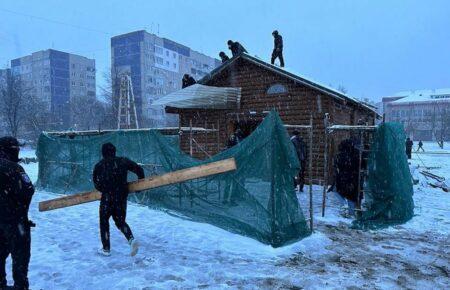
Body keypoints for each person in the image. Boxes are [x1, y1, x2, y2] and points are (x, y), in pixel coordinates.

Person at [93, 143, 145, 257]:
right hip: (121, 196)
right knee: (120, 221)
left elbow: (96, 183)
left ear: (103, 153)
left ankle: (106, 249)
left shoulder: (99, 165)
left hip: (107, 198)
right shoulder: (123, 161)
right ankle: (131, 240)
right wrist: (141, 184)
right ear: (114, 151)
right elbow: (139, 169)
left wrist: (104, 187)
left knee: (104, 222)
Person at [0, 136, 35, 290]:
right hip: (16, 223)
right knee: (20, 260)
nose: (18, 152)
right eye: (15, 149)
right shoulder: (14, 168)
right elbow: (28, 190)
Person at [333, 139, 360, 217]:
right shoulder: (357, 154)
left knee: (337, 190)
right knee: (351, 195)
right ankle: (351, 212)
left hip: (342, 177)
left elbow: (337, 165)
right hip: (354, 178)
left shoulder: (340, 155)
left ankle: (344, 205)